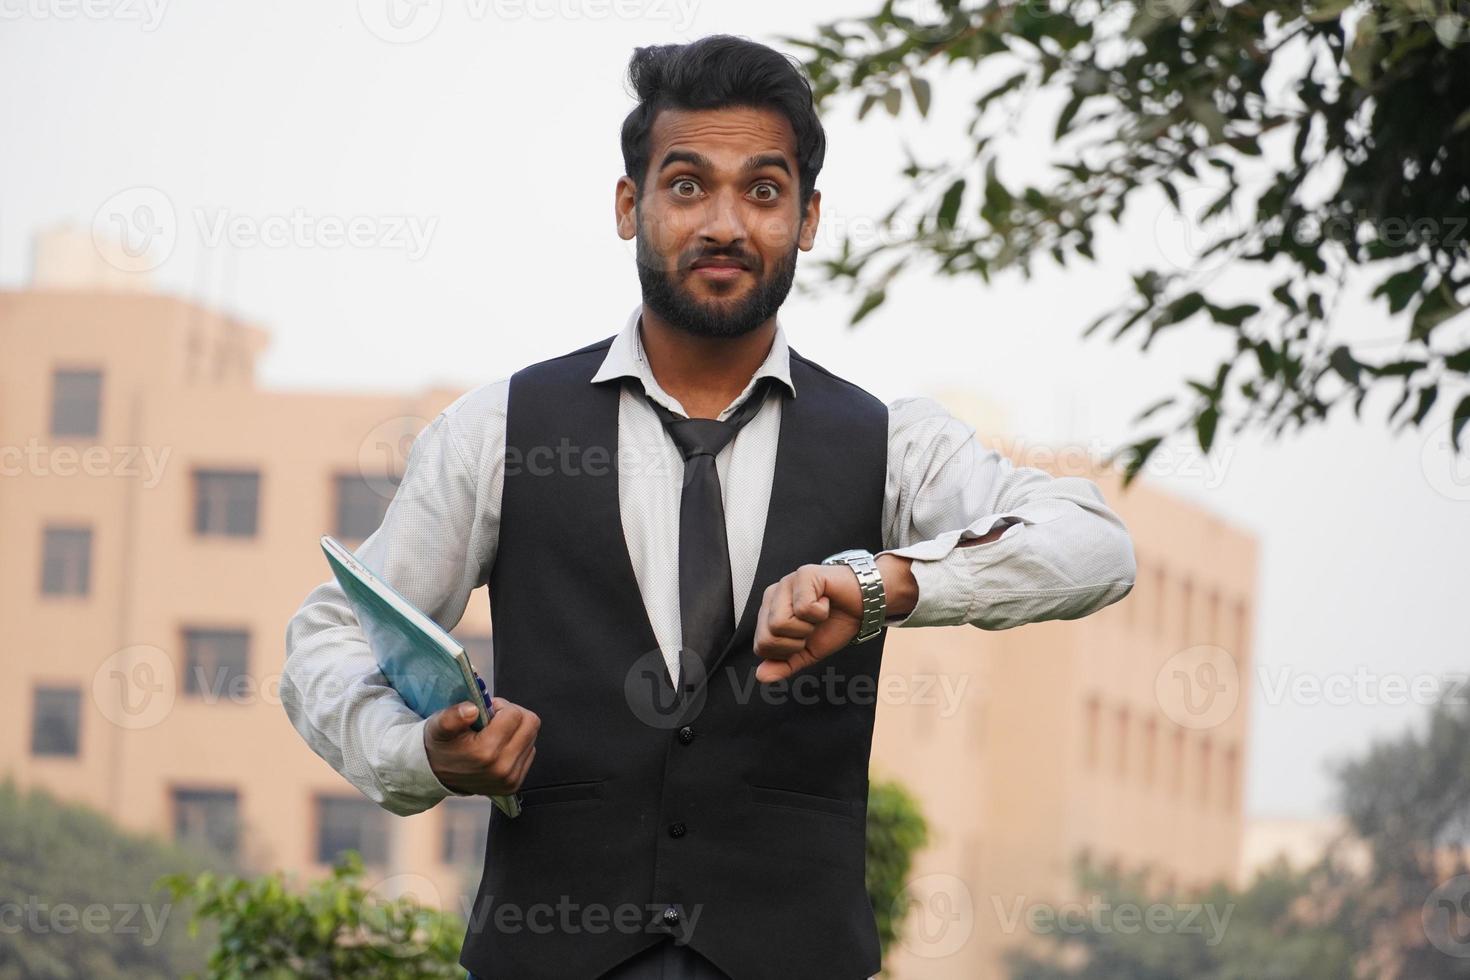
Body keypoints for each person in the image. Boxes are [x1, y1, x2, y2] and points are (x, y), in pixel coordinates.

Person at [282, 33, 1137, 980]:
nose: (725, 222)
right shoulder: (500, 430)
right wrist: (418, 756)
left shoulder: (890, 443)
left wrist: (885, 582)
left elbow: (1094, 543)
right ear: (629, 205)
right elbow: (330, 637)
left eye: (763, 192)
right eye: (687, 185)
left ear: (808, 218)